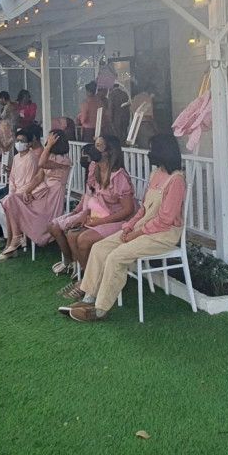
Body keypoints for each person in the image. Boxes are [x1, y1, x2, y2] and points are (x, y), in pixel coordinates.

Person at [63, 133, 188, 322]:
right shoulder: (156, 174)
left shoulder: (176, 180)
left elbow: (165, 220)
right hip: (142, 228)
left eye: (152, 149)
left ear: (162, 152)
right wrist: (129, 226)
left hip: (163, 235)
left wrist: (136, 233)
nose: (149, 153)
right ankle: (88, 297)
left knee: (116, 256)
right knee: (99, 248)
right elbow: (143, 208)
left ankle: (100, 309)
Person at [52, 135, 136, 297]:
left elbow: (127, 210)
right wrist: (85, 214)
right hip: (102, 215)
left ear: (109, 151)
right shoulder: (96, 169)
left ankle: (88, 283)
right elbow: (94, 197)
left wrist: (99, 222)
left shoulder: (119, 176)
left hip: (121, 220)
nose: (93, 149)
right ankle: (87, 277)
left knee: (83, 239)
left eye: (98, 146)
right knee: (71, 235)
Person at [1, 128, 73, 259]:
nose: (47, 141)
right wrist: (27, 191)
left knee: (15, 202)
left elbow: (41, 163)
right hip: (42, 192)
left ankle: (17, 240)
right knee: (11, 199)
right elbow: (39, 177)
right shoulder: (49, 156)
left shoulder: (64, 160)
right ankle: (16, 238)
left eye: (50, 139)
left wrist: (48, 146)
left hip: (52, 196)